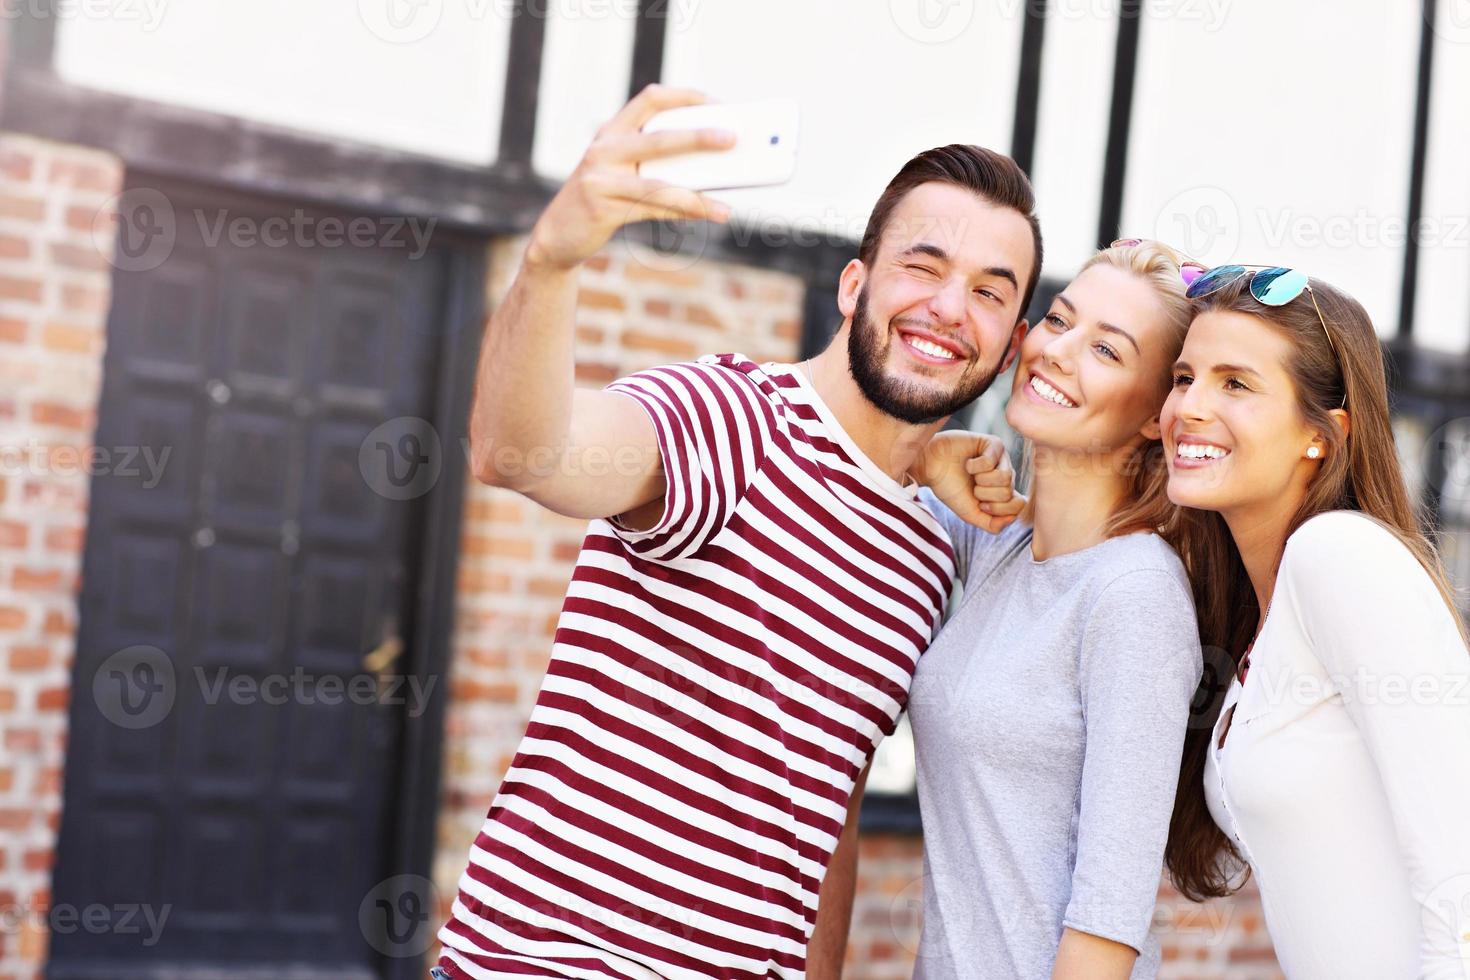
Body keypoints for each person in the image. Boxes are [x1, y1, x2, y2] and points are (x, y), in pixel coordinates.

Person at [432, 83, 1037, 979]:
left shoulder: (930, 547)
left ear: (1012, 339)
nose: (952, 308)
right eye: (924, 265)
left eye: (989, 291)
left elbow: (825, 807)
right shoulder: (731, 420)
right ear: (853, 284)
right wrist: (553, 263)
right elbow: (520, 453)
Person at [909, 240, 1208, 980]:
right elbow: (836, 465)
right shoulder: (996, 547)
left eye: (1106, 350)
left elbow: (1109, 920)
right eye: (1058, 320)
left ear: (1152, 416)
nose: (1057, 351)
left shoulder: (1134, 592)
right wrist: (923, 457)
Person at [1161, 265, 1470, 979]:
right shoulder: (1255, 624)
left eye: (1236, 383)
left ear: (1322, 437)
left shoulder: (1339, 556)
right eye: (1183, 378)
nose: (1190, 406)